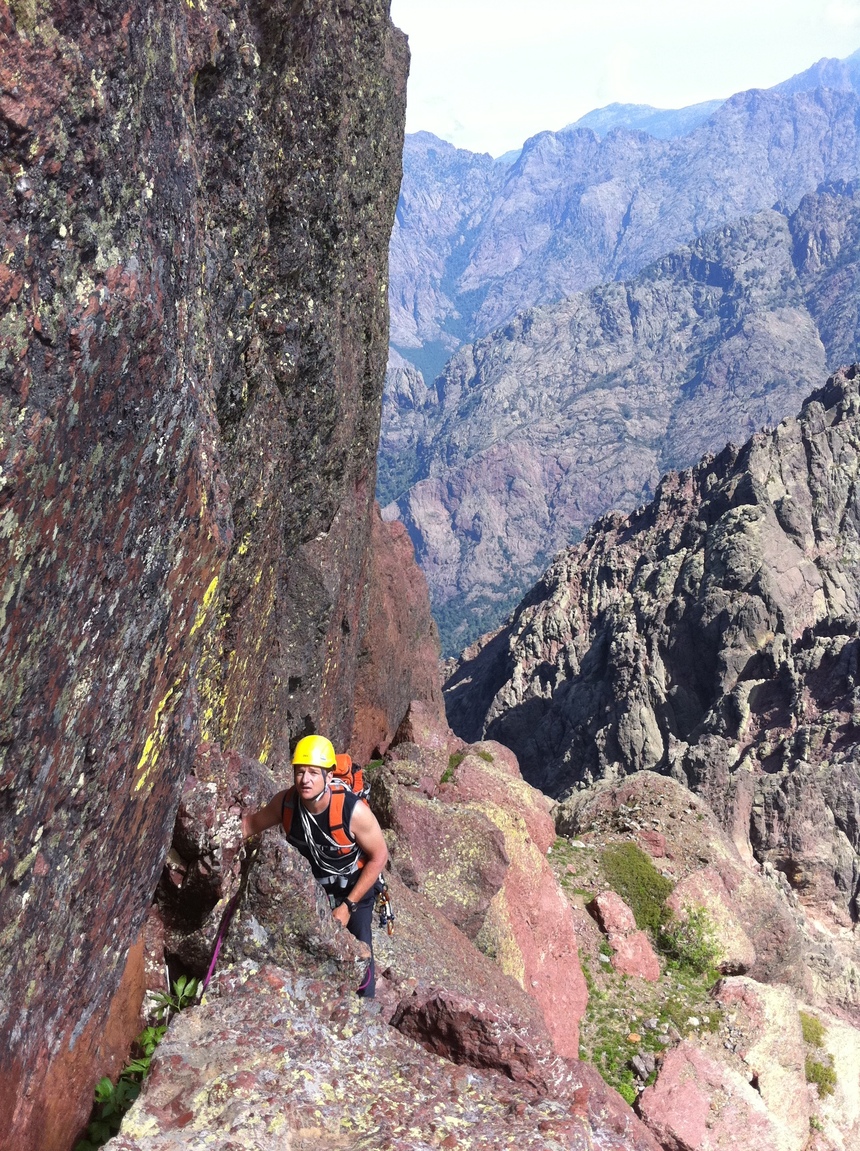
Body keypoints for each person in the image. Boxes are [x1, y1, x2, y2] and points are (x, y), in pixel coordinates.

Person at [241, 734, 388, 997]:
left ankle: (365, 1012)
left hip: (353, 890)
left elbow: (379, 856)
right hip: (312, 890)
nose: (305, 779)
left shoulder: (352, 812)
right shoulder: (286, 804)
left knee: (361, 958)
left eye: (312, 772)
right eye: (299, 772)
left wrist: (348, 907)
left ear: (328, 776)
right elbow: (250, 826)